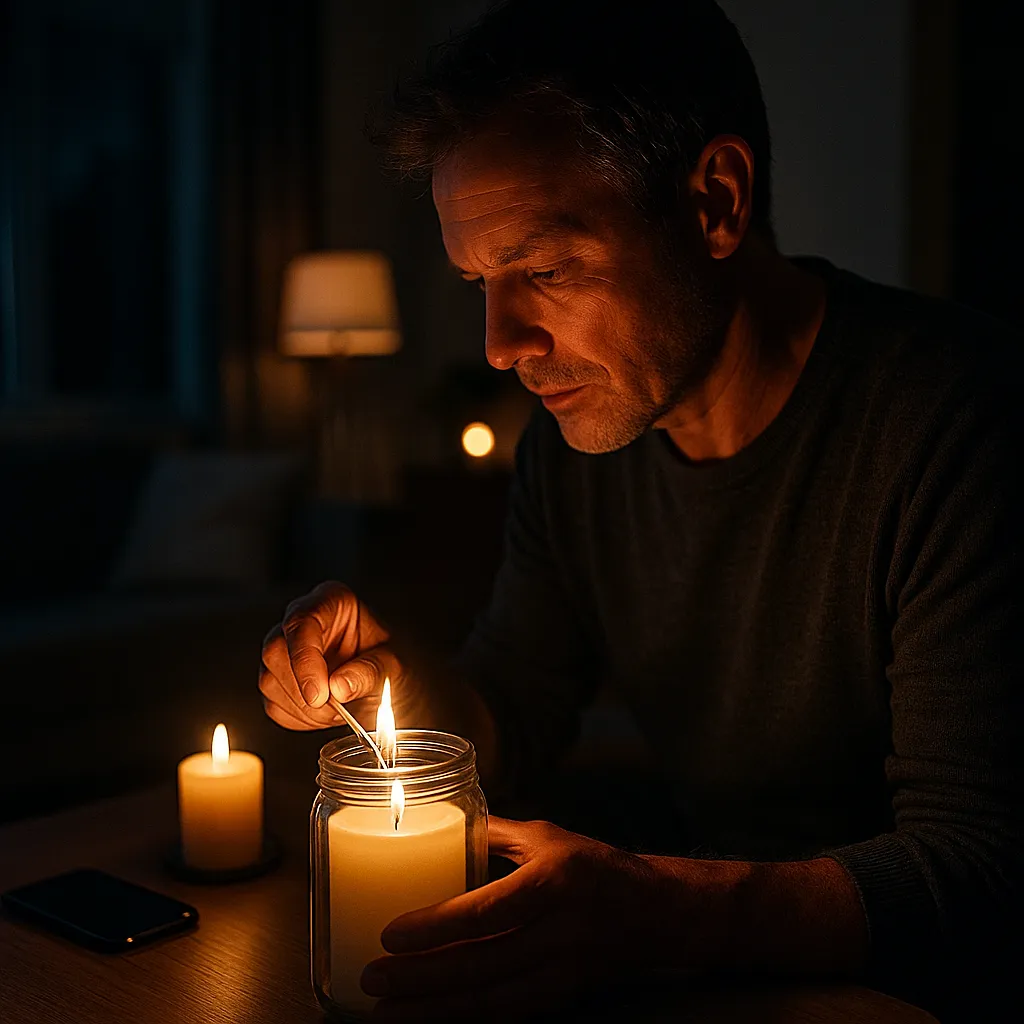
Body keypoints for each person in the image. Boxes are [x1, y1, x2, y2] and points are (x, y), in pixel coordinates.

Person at [259, 1, 1024, 1019]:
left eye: (543, 269)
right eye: (479, 280)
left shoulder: (957, 421)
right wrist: (395, 690)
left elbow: (985, 873)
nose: (498, 343)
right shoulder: (577, 448)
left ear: (714, 201)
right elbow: (513, 709)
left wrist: (663, 911)